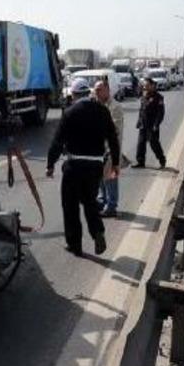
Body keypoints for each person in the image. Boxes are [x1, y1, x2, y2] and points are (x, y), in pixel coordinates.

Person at [47, 78, 120, 256]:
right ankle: (98, 232)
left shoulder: (70, 112)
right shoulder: (103, 111)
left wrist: (50, 164)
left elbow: (57, 142)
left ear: (73, 94)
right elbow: (113, 139)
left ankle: (75, 245)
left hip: (74, 166)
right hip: (95, 166)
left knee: (70, 205)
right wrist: (116, 163)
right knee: (90, 202)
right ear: (88, 92)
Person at [93, 80, 124, 218]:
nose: (96, 93)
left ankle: (112, 206)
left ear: (107, 90)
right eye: (95, 90)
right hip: (99, 149)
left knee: (111, 177)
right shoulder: (98, 105)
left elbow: (114, 129)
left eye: (99, 89)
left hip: (111, 149)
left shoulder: (115, 107)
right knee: (101, 176)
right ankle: (103, 200)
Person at [133, 77, 166, 169]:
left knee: (154, 143)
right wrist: (139, 121)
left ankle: (162, 160)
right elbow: (142, 109)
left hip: (152, 125)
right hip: (143, 124)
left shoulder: (158, 97)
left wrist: (156, 124)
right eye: (144, 86)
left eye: (147, 85)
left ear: (152, 86)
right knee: (141, 143)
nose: (145, 87)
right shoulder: (144, 95)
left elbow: (160, 113)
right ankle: (140, 162)